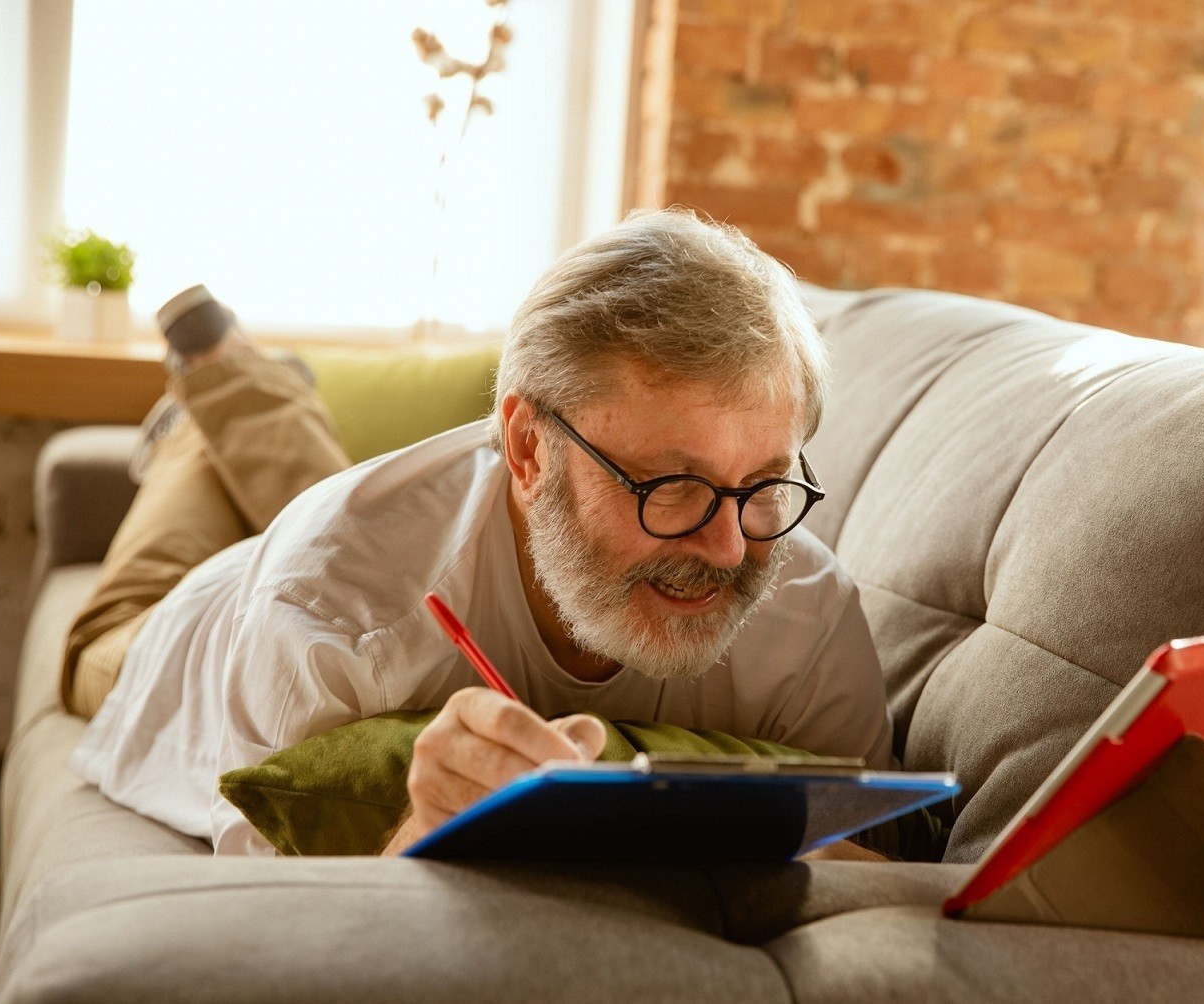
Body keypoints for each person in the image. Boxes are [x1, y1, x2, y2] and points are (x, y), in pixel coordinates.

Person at [66, 209, 894, 858]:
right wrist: (417, 833)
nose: (727, 549)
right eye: (671, 486)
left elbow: (879, 876)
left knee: (353, 507)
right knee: (103, 634)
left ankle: (255, 392)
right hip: (188, 625)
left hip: (391, 527)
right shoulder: (326, 608)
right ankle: (211, 399)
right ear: (530, 449)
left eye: (759, 485)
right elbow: (288, 938)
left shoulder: (806, 613)